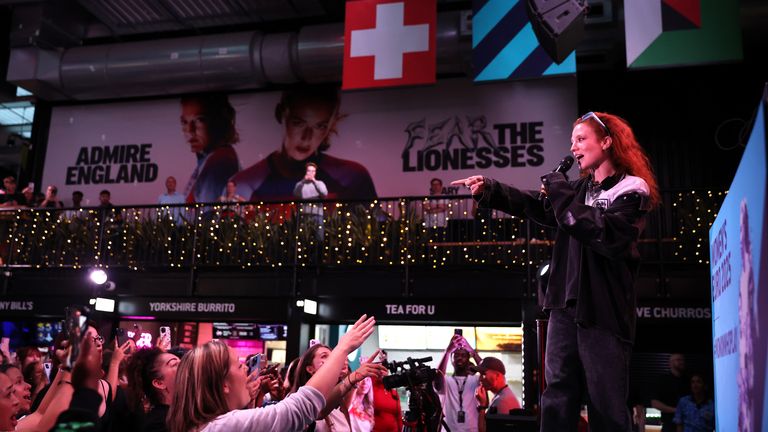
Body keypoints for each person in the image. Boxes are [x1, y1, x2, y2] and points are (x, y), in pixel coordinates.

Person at [453, 111, 660, 431]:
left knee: (605, 401)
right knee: (558, 395)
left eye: (581, 139)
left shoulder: (632, 188)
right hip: (564, 304)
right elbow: (536, 205)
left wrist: (559, 190)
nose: (573, 148)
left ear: (607, 142)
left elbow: (604, 234)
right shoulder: (575, 191)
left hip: (604, 308)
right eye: (571, 141)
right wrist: (490, 189)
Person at [168, 314, 377, 432]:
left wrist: (252, 400)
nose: (247, 370)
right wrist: (343, 348)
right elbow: (300, 407)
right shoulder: (223, 426)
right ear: (224, 385)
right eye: (239, 366)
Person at [230, 86, 377, 201]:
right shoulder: (244, 183)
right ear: (280, 114)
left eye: (320, 126)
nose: (307, 137)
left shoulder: (352, 177)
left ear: (331, 125)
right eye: (298, 123)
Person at [290, 342, 387, 432]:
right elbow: (319, 412)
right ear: (310, 369)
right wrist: (354, 376)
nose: (333, 361)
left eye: (333, 357)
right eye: (324, 356)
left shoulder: (339, 404)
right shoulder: (302, 403)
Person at [180, 93, 241, 204]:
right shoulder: (211, 158)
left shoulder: (220, 160)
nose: (190, 130)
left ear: (218, 122)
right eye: (184, 122)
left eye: (199, 120)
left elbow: (210, 211)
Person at [435, 334, 483, 432]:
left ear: (468, 358)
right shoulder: (446, 381)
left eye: (463, 355)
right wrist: (447, 352)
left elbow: (488, 371)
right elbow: (438, 376)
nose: (459, 358)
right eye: (456, 355)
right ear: (451, 359)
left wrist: (472, 351)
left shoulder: (476, 380)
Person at [125, 347, 180, 432]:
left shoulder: (185, 411)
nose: (183, 365)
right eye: (174, 364)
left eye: (181, 361)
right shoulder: (158, 424)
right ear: (159, 383)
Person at [473, 357, 520, 432]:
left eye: (483, 374)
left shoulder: (503, 400)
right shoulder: (501, 395)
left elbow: (484, 430)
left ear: (497, 375)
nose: (480, 379)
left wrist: (482, 406)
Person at [652, 353, 689, 432]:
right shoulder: (662, 380)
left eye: (683, 360)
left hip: (688, 425)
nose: (682, 362)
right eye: (678, 360)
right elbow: (655, 403)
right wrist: (677, 410)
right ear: (670, 363)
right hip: (669, 425)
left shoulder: (689, 380)